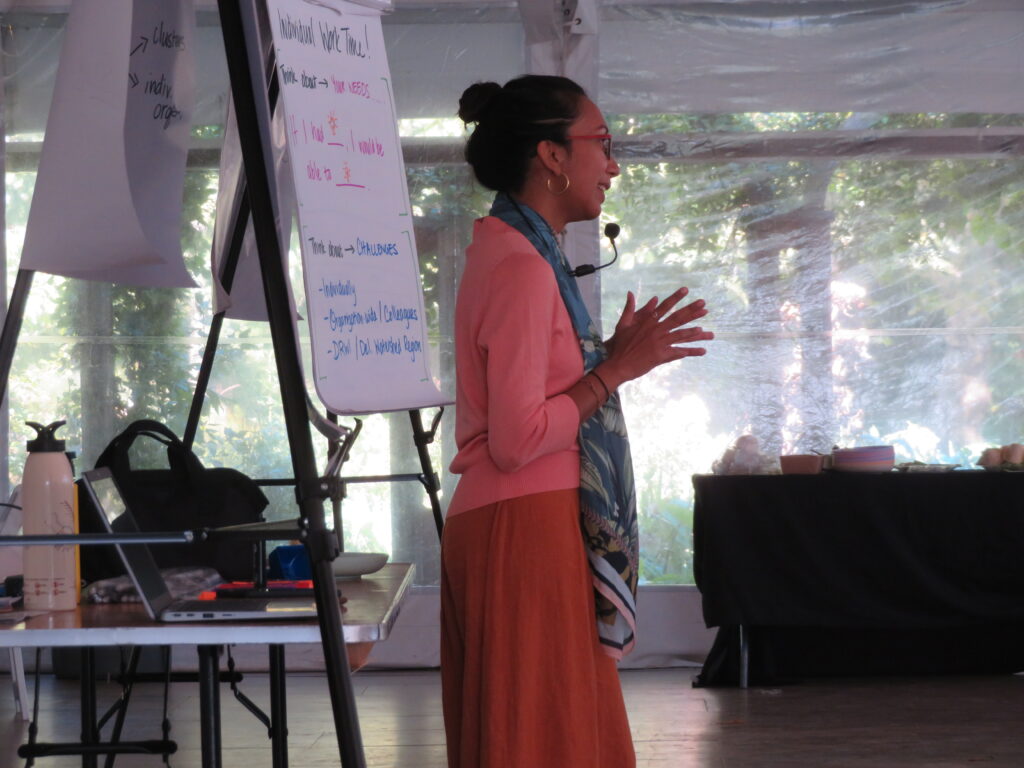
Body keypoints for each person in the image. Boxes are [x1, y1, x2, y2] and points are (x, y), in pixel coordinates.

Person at [442, 74, 714, 768]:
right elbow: (517, 438)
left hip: (521, 519)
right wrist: (613, 371)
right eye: (602, 143)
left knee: (555, 731)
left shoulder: (515, 250)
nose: (614, 165)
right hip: (520, 524)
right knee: (546, 738)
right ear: (553, 156)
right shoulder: (522, 265)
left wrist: (610, 359)